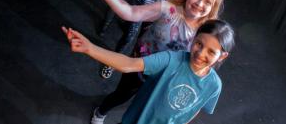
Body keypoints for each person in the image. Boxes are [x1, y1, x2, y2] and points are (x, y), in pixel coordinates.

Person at [86, 0, 225, 124]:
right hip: (139, 67)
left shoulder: (206, 32)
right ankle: (101, 111)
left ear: (213, 7)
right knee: (122, 95)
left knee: (146, 104)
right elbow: (130, 12)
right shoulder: (168, 9)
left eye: (207, 2)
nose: (200, 3)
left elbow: (206, 58)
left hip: (166, 78)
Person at [62, 19, 235, 123]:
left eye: (211, 52)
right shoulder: (171, 59)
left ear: (222, 56)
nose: (200, 53)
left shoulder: (214, 86)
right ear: (194, 38)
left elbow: (194, 107)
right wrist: (90, 48)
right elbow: (128, 63)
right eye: (199, 44)